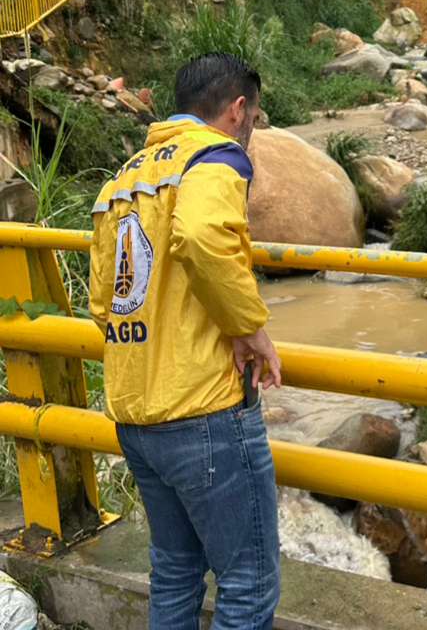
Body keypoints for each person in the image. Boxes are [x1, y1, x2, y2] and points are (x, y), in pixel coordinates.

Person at [90, 53, 281, 630]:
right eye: (253, 120)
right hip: (203, 410)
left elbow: (104, 301)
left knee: (174, 571)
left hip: (135, 412)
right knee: (247, 585)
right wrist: (249, 327)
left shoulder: (124, 177)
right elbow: (201, 235)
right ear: (237, 109)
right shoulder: (216, 158)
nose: (251, 133)